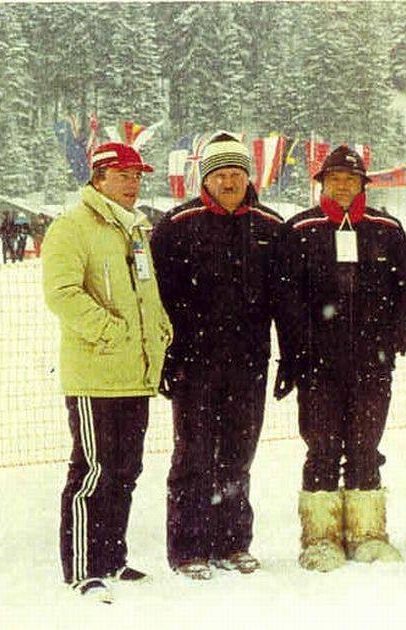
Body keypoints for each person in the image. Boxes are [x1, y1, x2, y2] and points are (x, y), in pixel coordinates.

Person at [151, 133, 288, 580]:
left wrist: (290, 358)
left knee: (238, 454)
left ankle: (232, 541)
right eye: (219, 175)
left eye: (236, 174)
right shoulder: (176, 226)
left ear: (248, 176)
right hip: (194, 362)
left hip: (248, 362)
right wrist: (165, 359)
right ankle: (188, 547)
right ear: (204, 179)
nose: (229, 182)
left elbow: (286, 302)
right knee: (193, 454)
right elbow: (159, 300)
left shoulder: (270, 226)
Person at [276, 146, 406, 572]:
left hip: (372, 363)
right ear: (321, 182)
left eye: (350, 178)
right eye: (334, 177)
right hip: (318, 365)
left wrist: (397, 337)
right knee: (321, 448)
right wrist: (295, 354)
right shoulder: (300, 229)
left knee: (365, 446)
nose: (342, 185)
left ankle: (367, 533)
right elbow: (284, 299)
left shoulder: (387, 229)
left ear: (363, 184)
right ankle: (320, 537)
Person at [42, 142, 173, 603]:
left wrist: (161, 331)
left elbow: (147, 292)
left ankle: (112, 558)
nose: (133, 183)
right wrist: (110, 331)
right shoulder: (72, 226)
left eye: (137, 176)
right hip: (95, 372)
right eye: (123, 175)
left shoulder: (136, 229)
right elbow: (62, 293)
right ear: (98, 179)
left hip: (135, 373)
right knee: (93, 472)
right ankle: (81, 567)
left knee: (125, 470)